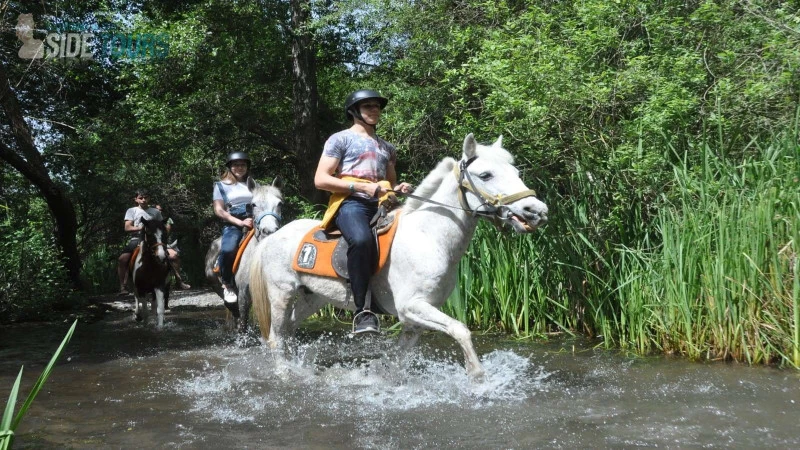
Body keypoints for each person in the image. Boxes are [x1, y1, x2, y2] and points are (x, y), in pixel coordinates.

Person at [314, 89, 413, 334]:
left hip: (383, 203)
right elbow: (320, 180)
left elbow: (388, 182)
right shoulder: (340, 139)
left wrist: (399, 188)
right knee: (360, 239)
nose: (374, 110)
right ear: (354, 111)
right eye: (368, 106)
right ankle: (362, 312)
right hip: (351, 203)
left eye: (377, 107)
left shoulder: (387, 147)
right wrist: (358, 186)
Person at [213, 151, 255, 304]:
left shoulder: (253, 184)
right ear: (230, 167)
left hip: (256, 220)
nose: (240, 167)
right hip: (233, 223)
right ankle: (227, 283)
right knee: (228, 249)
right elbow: (219, 210)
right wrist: (240, 223)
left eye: (243, 165)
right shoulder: (221, 185)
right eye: (236, 165)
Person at [117, 189, 163, 295]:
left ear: (149, 198)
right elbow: (127, 227)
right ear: (136, 199)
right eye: (141, 198)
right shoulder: (131, 211)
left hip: (154, 239)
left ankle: (177, 280)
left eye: (146, 197)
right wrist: (141, 228)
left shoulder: (155, 212)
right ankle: (123, 286)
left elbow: (161, 226)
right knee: (122, 259)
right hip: (137, 238)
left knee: (172, 256)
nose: (143, 200)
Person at [154, 204, 191, 290]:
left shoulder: (168, 220)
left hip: (166, 244)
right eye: (156, 210)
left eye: (160, 210)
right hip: (152, 244)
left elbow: (166, 233)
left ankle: (179, 281)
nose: (159, 211)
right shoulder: (150, 219)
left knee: (174, 256)